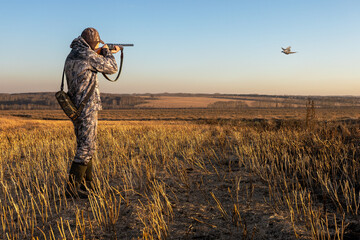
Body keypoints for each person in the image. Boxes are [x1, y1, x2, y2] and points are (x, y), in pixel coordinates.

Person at [64, 27, 122, 198]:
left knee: (86, 145)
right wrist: (108, 52)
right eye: (97, 43)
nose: (99, 45)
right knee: (87, 147)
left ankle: (87, 186)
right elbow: (112, 68)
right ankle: (72, 188)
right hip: (87, 106)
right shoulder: (88, 55)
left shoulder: (73, 53)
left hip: (76, 107)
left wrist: (101, 52)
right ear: (93, 43)